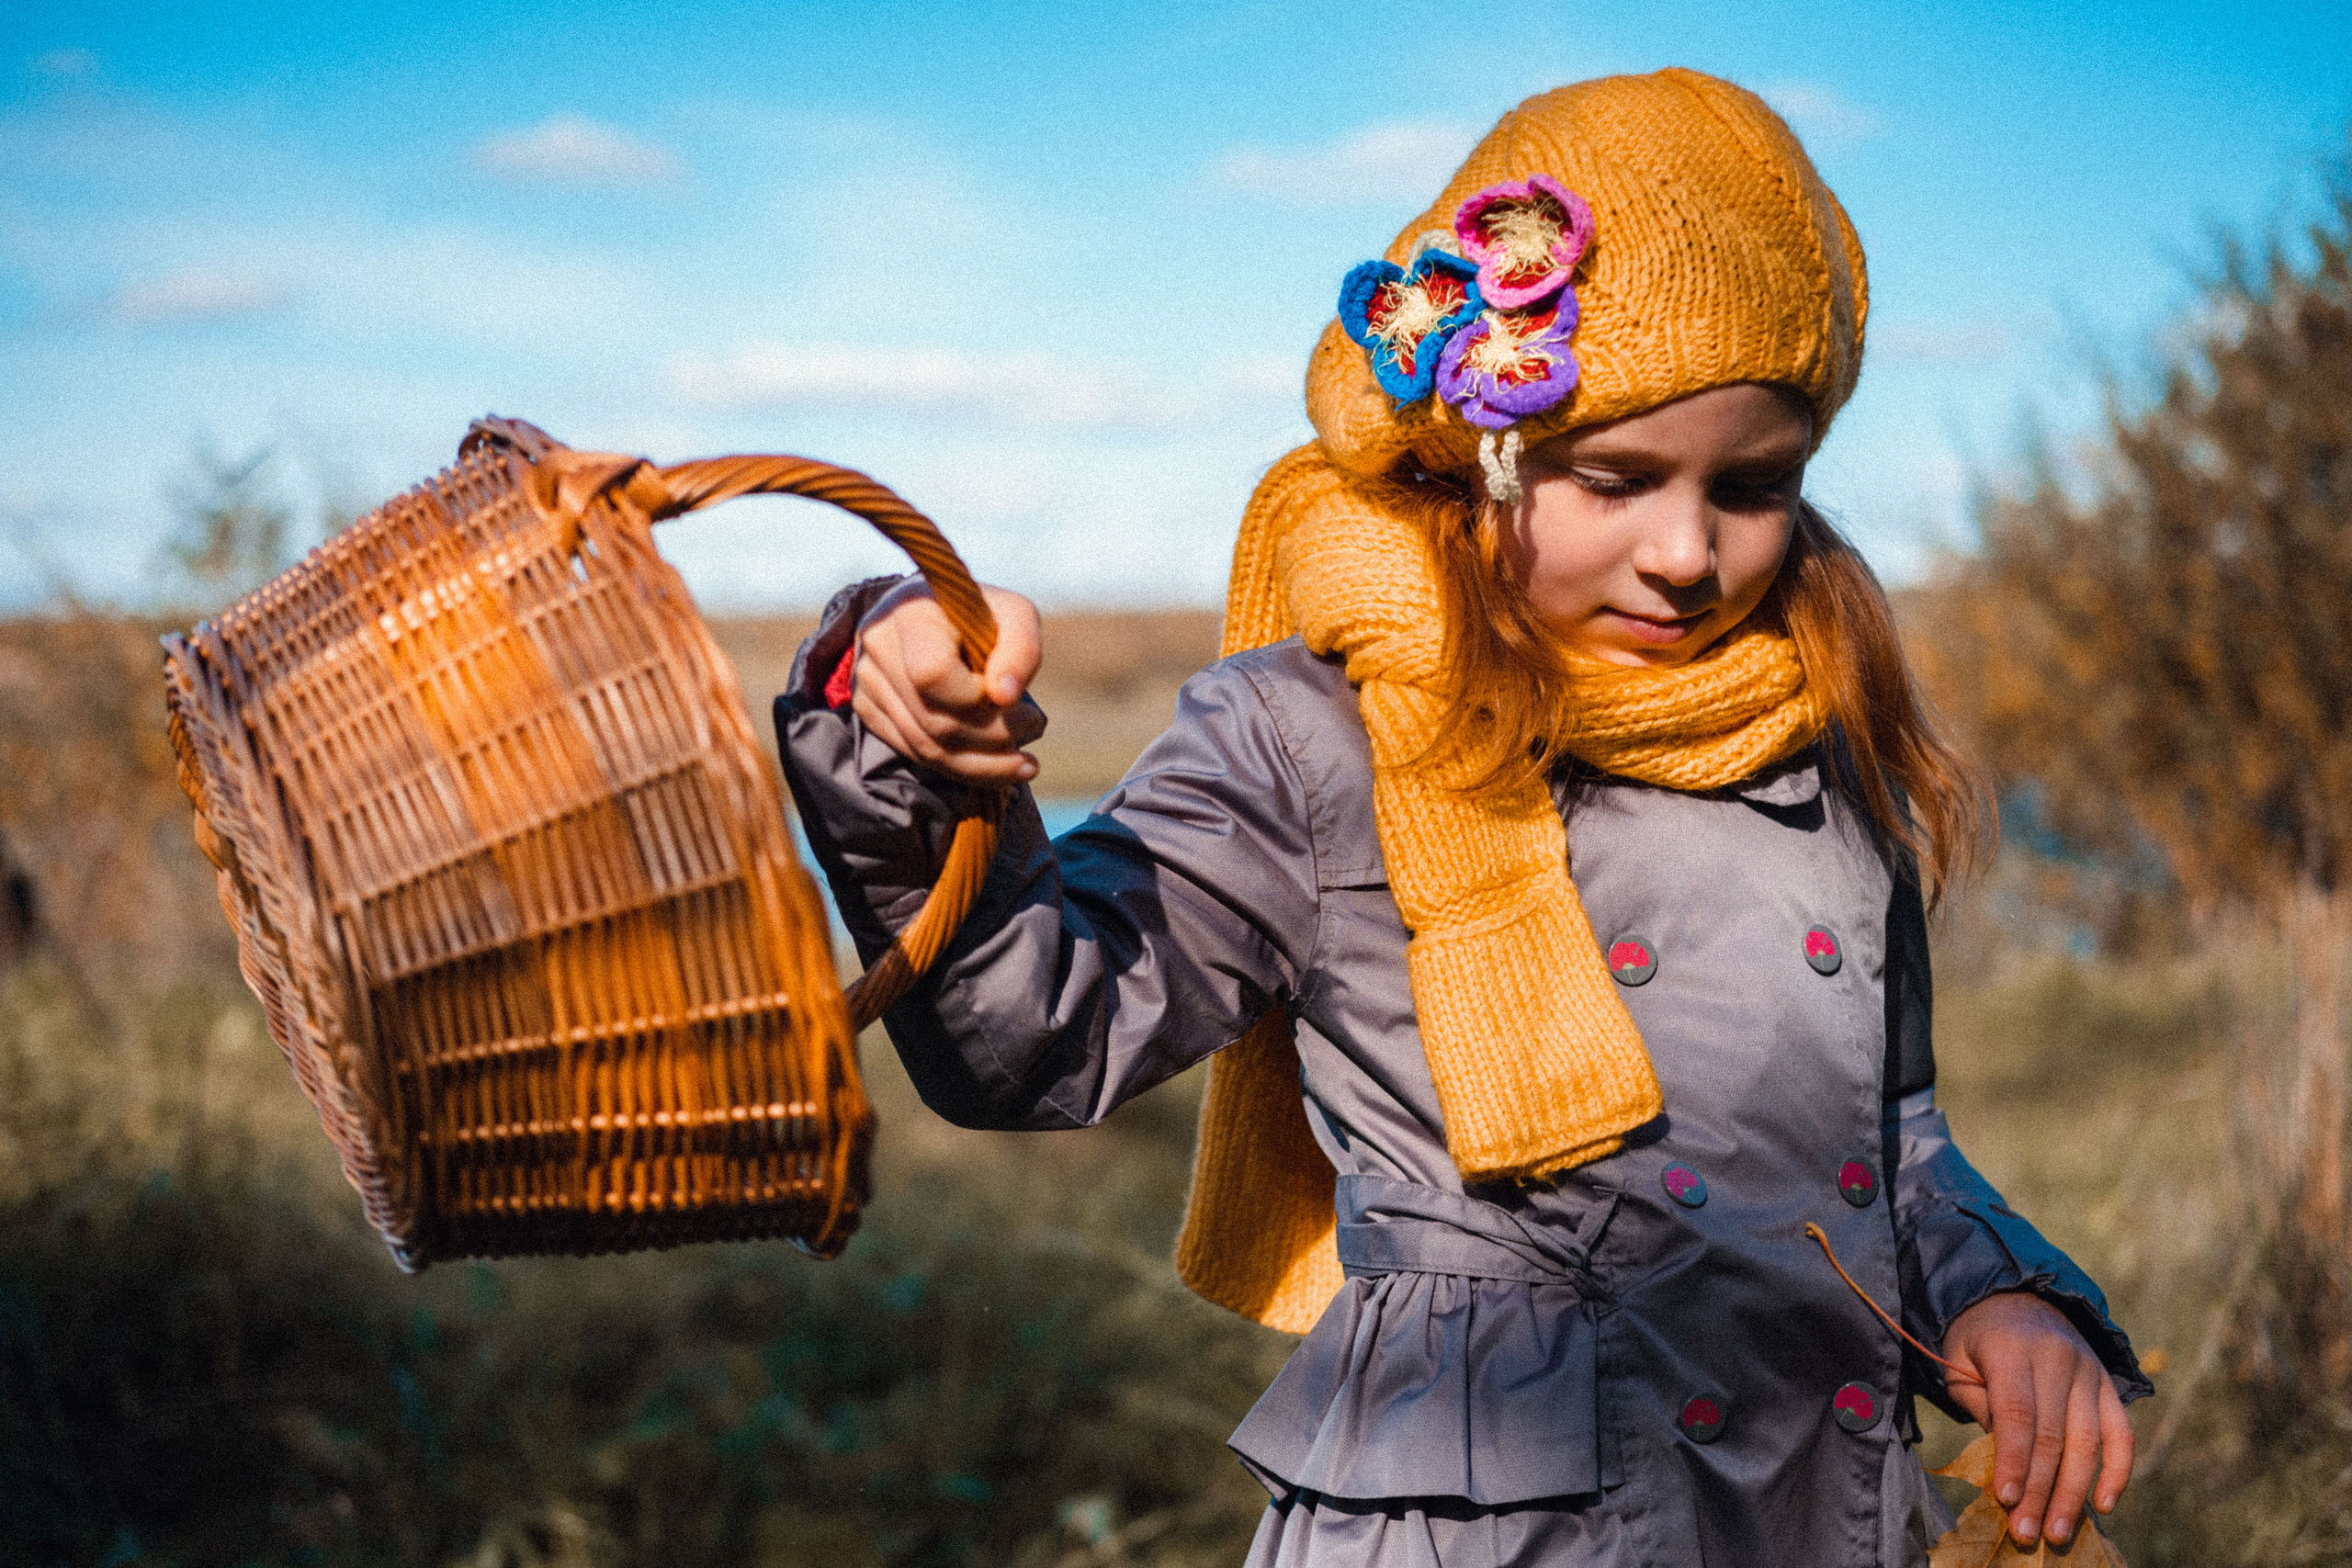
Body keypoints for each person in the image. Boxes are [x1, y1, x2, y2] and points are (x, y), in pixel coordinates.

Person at [775, 67, 2149, 1568]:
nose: (1685, 553)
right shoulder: (1315, 736)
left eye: (1753, 486)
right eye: (1614, 478)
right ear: (1480, 445)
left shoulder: (1812, 741)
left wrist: (2001, 1295)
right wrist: (903, 726)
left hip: (1812, 1513)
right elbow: (1029, 1040)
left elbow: (1888, 1142)